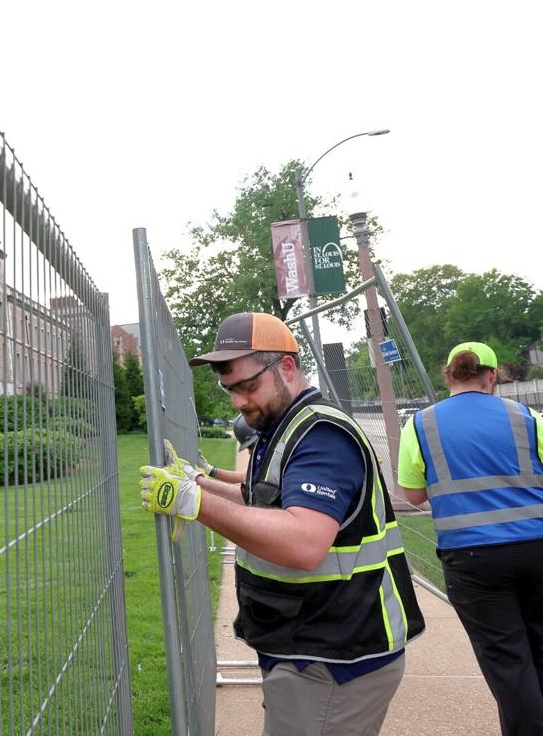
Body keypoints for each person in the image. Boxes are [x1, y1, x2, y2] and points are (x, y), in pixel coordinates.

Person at [140, 311, 425, 736]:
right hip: (313, 644)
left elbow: (303, 542)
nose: (238, 402)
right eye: (229, 390)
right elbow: (262, 501)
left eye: (247, 386)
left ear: (286, 367)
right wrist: (198, 482)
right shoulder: (283, 425)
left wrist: (193, 502)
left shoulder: (322, 435)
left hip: (335, 658)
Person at [398, 341, 543, 736]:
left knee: (508, 663)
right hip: (537, 548)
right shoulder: (527, 416)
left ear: (448, 375)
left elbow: (412, 494)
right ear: (492, 375)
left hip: (472, 557)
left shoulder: (421, 423)